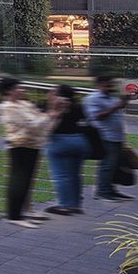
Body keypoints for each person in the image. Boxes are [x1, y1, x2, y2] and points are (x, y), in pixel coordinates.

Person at [0, 77, 53, 227]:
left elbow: (40, 121)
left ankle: (26, 211)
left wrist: (47, 115)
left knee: (28, 181)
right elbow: (33, 124)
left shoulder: (24, 104)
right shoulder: (8, 107)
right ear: (9, 91)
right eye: (18, 87)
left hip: (33, 146)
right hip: (19, 146)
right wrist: (50, 114)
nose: (22, 90)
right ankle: (14, 215)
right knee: (18, 181)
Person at [43, 82, 90, 215]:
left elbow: (46, 124)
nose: (49, 93)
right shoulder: (78, 106)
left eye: (52, 91)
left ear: (58, 94)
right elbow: (86, 120)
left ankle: (63, 205)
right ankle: (75, 205)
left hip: (59, 142)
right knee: (75, 175)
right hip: (79, 141)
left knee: (61, 175)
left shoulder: (54, 106)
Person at [85, 74, 133, 202]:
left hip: (117, 136)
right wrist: (115, 106)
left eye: (112, 84)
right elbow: (97, 116)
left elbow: (116, 113)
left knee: (114, 166)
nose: (111, 87)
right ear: (99, 84)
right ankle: (102, 192)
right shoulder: (93, 99)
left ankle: (110, 190)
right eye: (108, 84)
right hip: (105, 136)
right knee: (107, 165)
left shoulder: (111, 97)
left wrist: (124, 102)